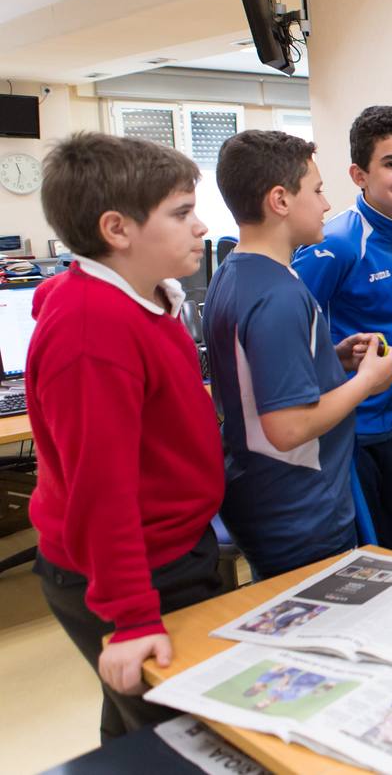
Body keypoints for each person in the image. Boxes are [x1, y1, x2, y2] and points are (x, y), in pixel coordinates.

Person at [28, 134, 225, 741]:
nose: (200, 227)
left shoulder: (145, 297)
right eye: (182, 213)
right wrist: (133, 618)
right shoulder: (93, 333)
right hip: (134, 569)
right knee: (186, 738)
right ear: (118, 229)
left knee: (139, 732)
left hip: (172, 549)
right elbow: (100, 491)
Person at [206, 130, 392, 579]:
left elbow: (258, 380)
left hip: (266, 493)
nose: (327, 204)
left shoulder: (235, 273)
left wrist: (331, 358)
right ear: (280, 200)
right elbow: (287, 427)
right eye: (315, 190)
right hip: (297, 506)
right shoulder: (277, 294)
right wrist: (366, 381)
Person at [292, 105, 392, 556]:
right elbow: (295, 336)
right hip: (349, 430)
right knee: (368, 558)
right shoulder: (335, 244)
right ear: (359, 175)